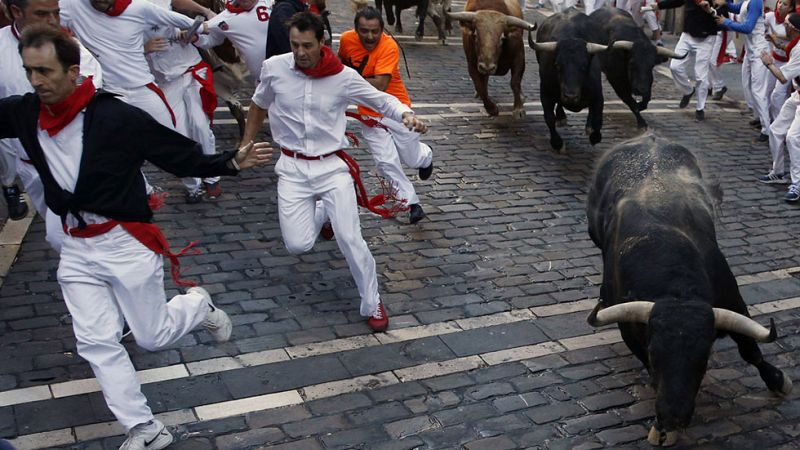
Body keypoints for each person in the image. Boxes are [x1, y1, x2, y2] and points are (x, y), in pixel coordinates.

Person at [0, 25, 270, 449]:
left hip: (125, 242)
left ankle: (198, 304)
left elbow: (176, 153)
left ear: (74, 72)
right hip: (76, 245)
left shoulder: (115, 116)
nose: (36, 81)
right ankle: (144, 428)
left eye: (45, 72)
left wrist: (231, 163)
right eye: (29, 71)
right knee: (95, 341)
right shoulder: (24, 112)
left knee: (152, 337)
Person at [241, 12, 428, 332]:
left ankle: (372, 301)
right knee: (297, 245)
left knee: (350, 238)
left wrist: (405, 114)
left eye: (307, 46)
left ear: (322, 43)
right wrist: (245, 142)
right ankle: (322, 210)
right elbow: (259, 104)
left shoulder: (342, 76)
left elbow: (381, 100)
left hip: (331, 168)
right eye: (295, 45)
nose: (300, 52)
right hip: (292, 168)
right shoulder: (274, 68)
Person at [0, 0, 102, 249]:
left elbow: (91, 88)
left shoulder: (69, 46)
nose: (53, 21)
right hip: (31, 165)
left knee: (77, 237)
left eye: (56, 13)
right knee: (63, 238)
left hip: (76, 162)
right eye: (42, 14)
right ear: (16, 12)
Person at [338, 7, 434, 224]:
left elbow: (380, 85)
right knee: (385, 161)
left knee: (412, 158)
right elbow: (341, 65)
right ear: (355, 29)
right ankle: (411, 203)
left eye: (375, 31)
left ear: (382, 30)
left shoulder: (389, 45)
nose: (370, 36)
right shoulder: (346, 40)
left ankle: (426, 156)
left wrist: (346, 86)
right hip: (369, 114)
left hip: (396, 110)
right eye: (364, 31)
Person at [145, 0, 222, 204]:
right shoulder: (124, 13)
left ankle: (212, 175)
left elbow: (180, 6)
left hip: (191, 70)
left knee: (200, 126)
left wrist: (192, 29)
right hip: (165, 81)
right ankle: (192, 185)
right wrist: (144, 48)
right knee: (178, 133)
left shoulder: (164, 4)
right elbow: (121, 48)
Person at [653, 0, 720, 122]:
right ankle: (688, 90)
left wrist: (710, 10)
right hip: (688, 34)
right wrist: (659, 5)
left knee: (701, 75)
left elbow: (722, 13)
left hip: (707, 37)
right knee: (675, 67)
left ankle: (700, 108)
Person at [715, 0, 771, 141]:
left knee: (758, 90)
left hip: (760, 50)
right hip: (750, 50)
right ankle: (758, 116)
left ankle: (767, 129)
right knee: (747, 85)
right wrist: (725, 2)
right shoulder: (747, 1)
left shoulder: (756, 2)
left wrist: (726, 22)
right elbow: (736, 8)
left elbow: (747, 27)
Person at [760, 13, 800, 199]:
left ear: (793, 28)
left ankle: (797, 185)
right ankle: (778, 172)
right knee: (776, 130)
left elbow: (783, 77)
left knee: (793, 138)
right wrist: (776, 43)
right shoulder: (795, 44)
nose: (782, 26)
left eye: (785, 24)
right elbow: (787, 48)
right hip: (797, 95)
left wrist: (768, 64)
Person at [190, 0, 272, 85]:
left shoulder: (270, 3)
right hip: (262, 80)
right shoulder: (222, 18)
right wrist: (196, 39)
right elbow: (211, 39)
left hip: (285, 69)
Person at [765, 0, 796, 120]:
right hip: (774, 59)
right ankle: (767, 120)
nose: (780, 6)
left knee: (779, 94)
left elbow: (793, 36)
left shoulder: (793, 20)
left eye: (785, 4)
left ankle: (778, 123)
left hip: (788, 62)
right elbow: (759, 25)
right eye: (779, 2)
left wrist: (776, 36)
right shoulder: (770, 16)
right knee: (767, 90)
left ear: (790, 8)